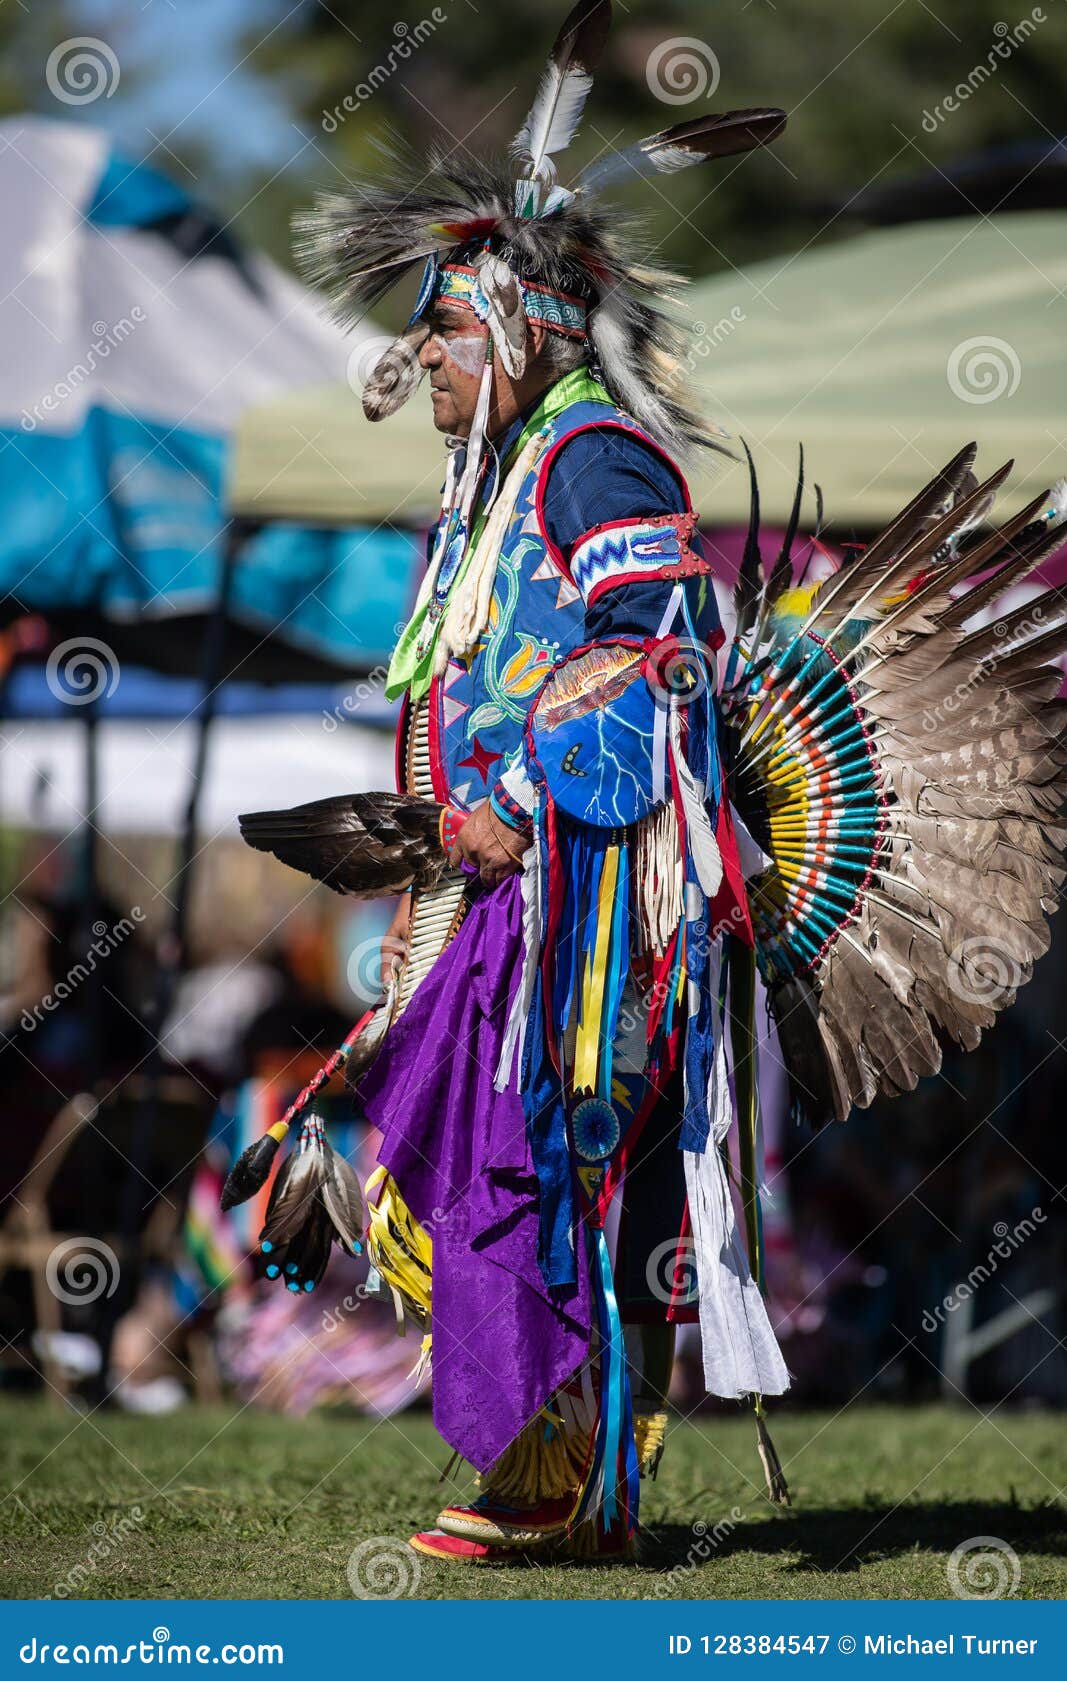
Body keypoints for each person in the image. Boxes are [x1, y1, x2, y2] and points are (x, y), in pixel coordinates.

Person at [230, 0, 1067, 1566]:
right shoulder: (492, 486)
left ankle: (564, 1477)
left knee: (534, 1164)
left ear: (529, 332)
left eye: (450, 333)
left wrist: (522, 802)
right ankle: (568, 1467)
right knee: (454, 1161)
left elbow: (657, 656)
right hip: (499, 884)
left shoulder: (595, 459)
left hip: (592, 891)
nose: (422, 361)